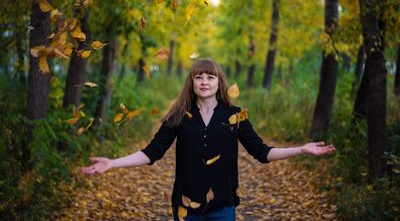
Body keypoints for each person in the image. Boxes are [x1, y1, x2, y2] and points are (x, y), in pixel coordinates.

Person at [81, 58, 335, 221]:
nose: (204, 81)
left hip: (223, 207)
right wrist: (113, 163)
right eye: (199, 77)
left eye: (210, 77)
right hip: (185, 207)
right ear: (191, 82)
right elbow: (151, 153)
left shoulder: (236, 115)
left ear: (218, 82)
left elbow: (262, 152)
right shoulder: (178, 116)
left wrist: (301, 149)